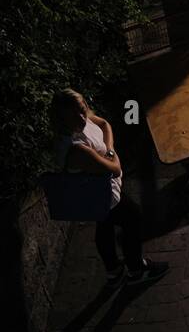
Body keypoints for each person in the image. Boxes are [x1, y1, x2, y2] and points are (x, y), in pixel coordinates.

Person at [49, 87, 169, 287]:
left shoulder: (81, 123)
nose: (81, 117)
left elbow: (104, 124)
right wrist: (111, 156)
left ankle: (113, 271)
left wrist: (109, 150)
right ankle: (136, 270)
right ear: (61, 120)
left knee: (104, 225)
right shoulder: (77, 150)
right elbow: (114, 169)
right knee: (133, 218)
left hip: (95, 194)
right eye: (72, 115)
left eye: (82, 108)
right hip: (104, 194)